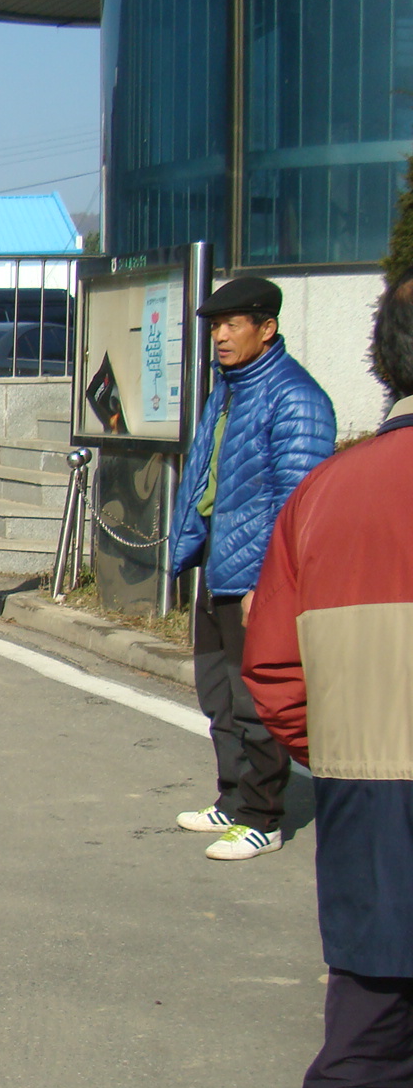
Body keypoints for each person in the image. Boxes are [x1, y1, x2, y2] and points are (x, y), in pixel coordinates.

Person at [241, 278, 413, 1088]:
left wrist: (338, 750)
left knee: (369, 1022)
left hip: (371, 787)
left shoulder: (329, 494)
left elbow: (272, 668)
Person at [169, 275, 336, 861]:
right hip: (220, 562)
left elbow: (298, 502)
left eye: (232, 324)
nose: (220, 336)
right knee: (218, 693)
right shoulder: (228, 389)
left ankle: (263, 816)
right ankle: (233, 797)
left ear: (267, 329)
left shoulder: (295, 398)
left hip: (256, 574)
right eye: (216, 325)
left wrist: (269, 582)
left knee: (257, 700)